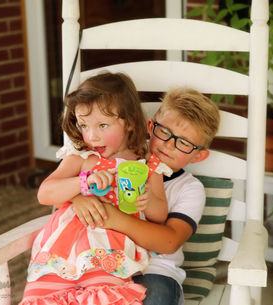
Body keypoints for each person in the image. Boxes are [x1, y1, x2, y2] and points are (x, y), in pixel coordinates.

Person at [20, 72, 172, 305]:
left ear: (130, 122)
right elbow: (45, 193)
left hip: (109, 252)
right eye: (84, 125)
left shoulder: (147, 165)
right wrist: (83, 182)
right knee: (44, 298)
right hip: (61, 250)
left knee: (104, 299)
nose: (92, 136)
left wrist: (148, 201)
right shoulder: (83, 157)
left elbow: (160, 214)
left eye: (102, 125)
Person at [72, 87, 221, 305]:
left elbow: (169, 242)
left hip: (154, 272)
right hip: (100, 265)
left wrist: (113, 218)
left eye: (184, 143)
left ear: (198, 156)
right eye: (164, 132)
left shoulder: (189, 188)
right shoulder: (118, 159)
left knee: (156, 298)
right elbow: (69, 186)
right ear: (151, 126)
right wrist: (78, 198)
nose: (169, 145)